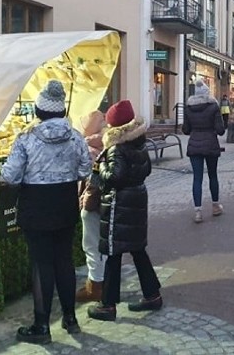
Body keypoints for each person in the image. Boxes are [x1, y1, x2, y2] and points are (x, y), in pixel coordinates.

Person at [0, 80, 92, 344]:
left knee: (41, 264)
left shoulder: (26, 138)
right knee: (63, 261)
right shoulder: (75, 136)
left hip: (36, 205)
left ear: (40, 111)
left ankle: (42, 325)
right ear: (61, 111)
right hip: (64, 203)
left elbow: (10, 176)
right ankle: (70, 318)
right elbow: (86, 169)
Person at [87, 100, 163, 322]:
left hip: (119, 204)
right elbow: (146, 169)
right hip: (137, 199)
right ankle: (152, 294)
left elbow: (114, 177)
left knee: (113, 252)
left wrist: (100, 166)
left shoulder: (117, 147)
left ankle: (108, 305)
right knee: (138, 250)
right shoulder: (138, 142)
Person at [182, 79, 226, 223]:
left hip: (194, 145)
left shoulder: (188, 108)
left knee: (197, 178)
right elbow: (220, 130)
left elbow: (186, 130)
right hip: (211, 145)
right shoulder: (213, 106)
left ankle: (198, 212)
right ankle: (215, 206)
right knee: (213, 175)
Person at [75, 110, 107, 304]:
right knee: (102, 245)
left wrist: (84, 203)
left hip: (93, 203)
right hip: (106, 203)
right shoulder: (108, 144)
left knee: (91, 245)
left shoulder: (89, 149)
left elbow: (91, 182)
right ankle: (103, 283)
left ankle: (95, 286)